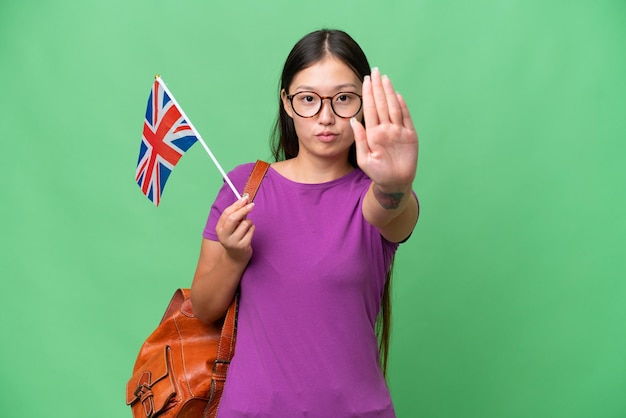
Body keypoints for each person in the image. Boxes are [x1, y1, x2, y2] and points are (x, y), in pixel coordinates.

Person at [191, 28, 419, 417]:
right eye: (308, 99)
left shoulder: (371, 196)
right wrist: (232, 255)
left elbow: (390, 209)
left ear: (363, 103)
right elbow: (204, 308)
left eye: (343, 98)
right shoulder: (244, 186)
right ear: (287, 102)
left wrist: (395, 184)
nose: (326, 117)